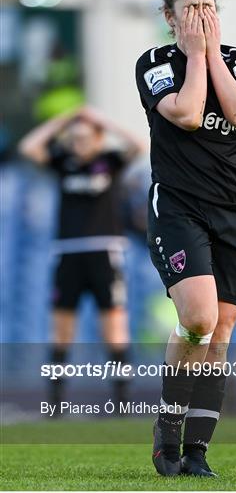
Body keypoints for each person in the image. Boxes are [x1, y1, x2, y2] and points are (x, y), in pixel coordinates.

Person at [136, 0, 236, 477]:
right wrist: (192, 56)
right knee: (199, 321)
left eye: (209, 8)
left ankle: (197, 452)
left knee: (223, 330)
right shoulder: (155, 62)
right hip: (181, 206)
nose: (201, 17)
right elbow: (187, 113)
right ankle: (167, 429)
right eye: (190, 9)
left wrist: (210, 57)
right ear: (170, 17)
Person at [18, 106, 144, 407]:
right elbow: (29, 147)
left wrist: (105, 121)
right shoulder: (63, 162)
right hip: (69, 252)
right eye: (74, 138)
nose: (79, 143)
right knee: (61, 329)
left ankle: (122, 399)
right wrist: (64, 120)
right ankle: (56, 400)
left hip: (104, 251)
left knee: (114, 326)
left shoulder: (109, 162)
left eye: (85, 137)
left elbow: (140, 145)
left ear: (99, 138)